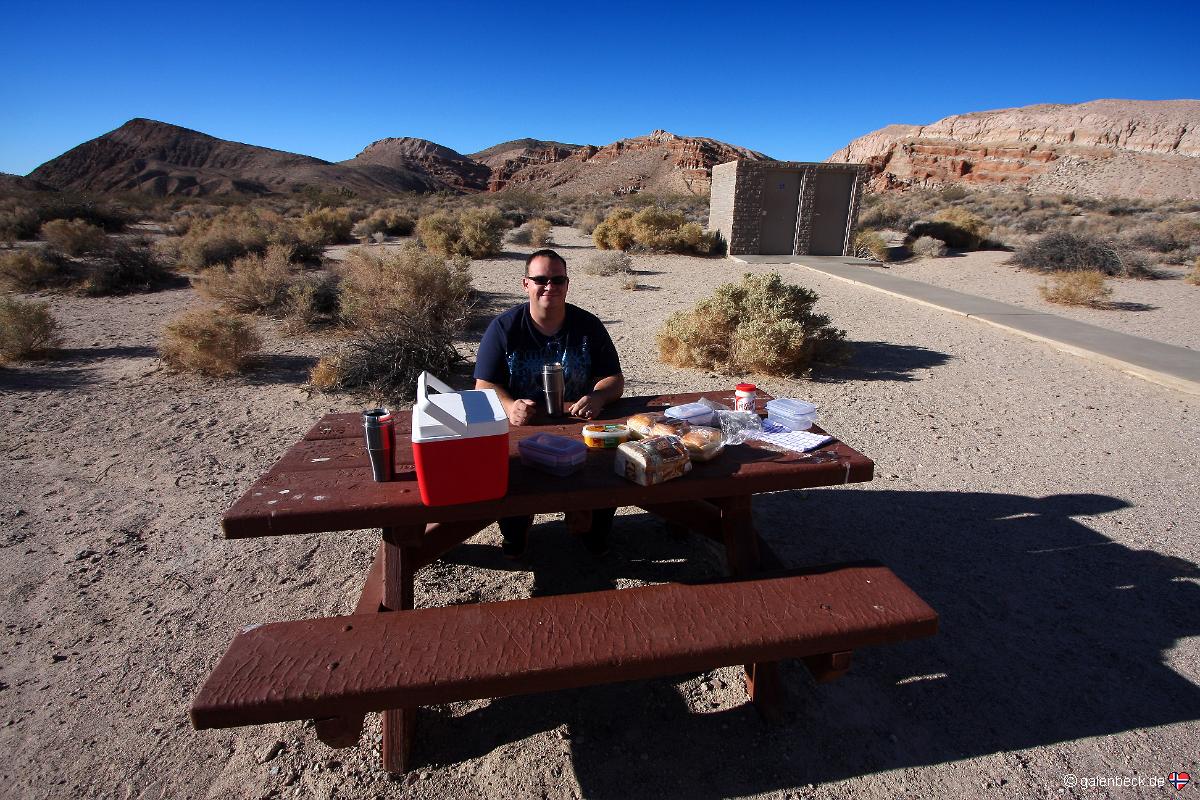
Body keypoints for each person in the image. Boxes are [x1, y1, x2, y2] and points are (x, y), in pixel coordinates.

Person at [474, 248, 624, 557]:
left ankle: (592, 529)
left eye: (558, 280)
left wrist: (597, 396)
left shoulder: (588, 325)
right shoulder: (504, 328)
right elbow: (483, 385)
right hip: (522, 427)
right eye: (541, 279)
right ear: (526, 284)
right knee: (512, 476)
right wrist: (508, 406)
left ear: (567, 285)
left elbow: (614, 379)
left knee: (610, 466)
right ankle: (516, 532)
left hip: (579, 424)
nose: (550, 287)